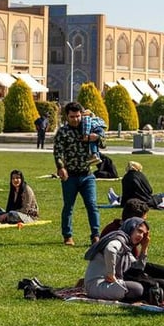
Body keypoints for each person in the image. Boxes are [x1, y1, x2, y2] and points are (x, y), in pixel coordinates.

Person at [53, 101, 103, 246]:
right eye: (72, 116)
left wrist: (97, 138)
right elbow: (58, 151)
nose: (76, 119)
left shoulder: (89, 127)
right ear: (67, 117)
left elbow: (103, 143)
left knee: (92, 205)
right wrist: (60, 167)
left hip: (87, 175)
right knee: (68, 206)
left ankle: (95, 235)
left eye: (78, 116)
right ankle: (67, 236)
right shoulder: (63, 132)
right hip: (70, 176)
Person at [82, 217, 149, 302]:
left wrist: (144, 247)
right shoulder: (119, 239)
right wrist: (111, 274)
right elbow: (110, 249)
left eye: (143, 234)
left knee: (143, 284)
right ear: (131, 227)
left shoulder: (126, 246)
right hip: (96, 286)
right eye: (139, 231)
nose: (141, 236)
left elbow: (137, 268)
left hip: (106, 284)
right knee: (137, 289)